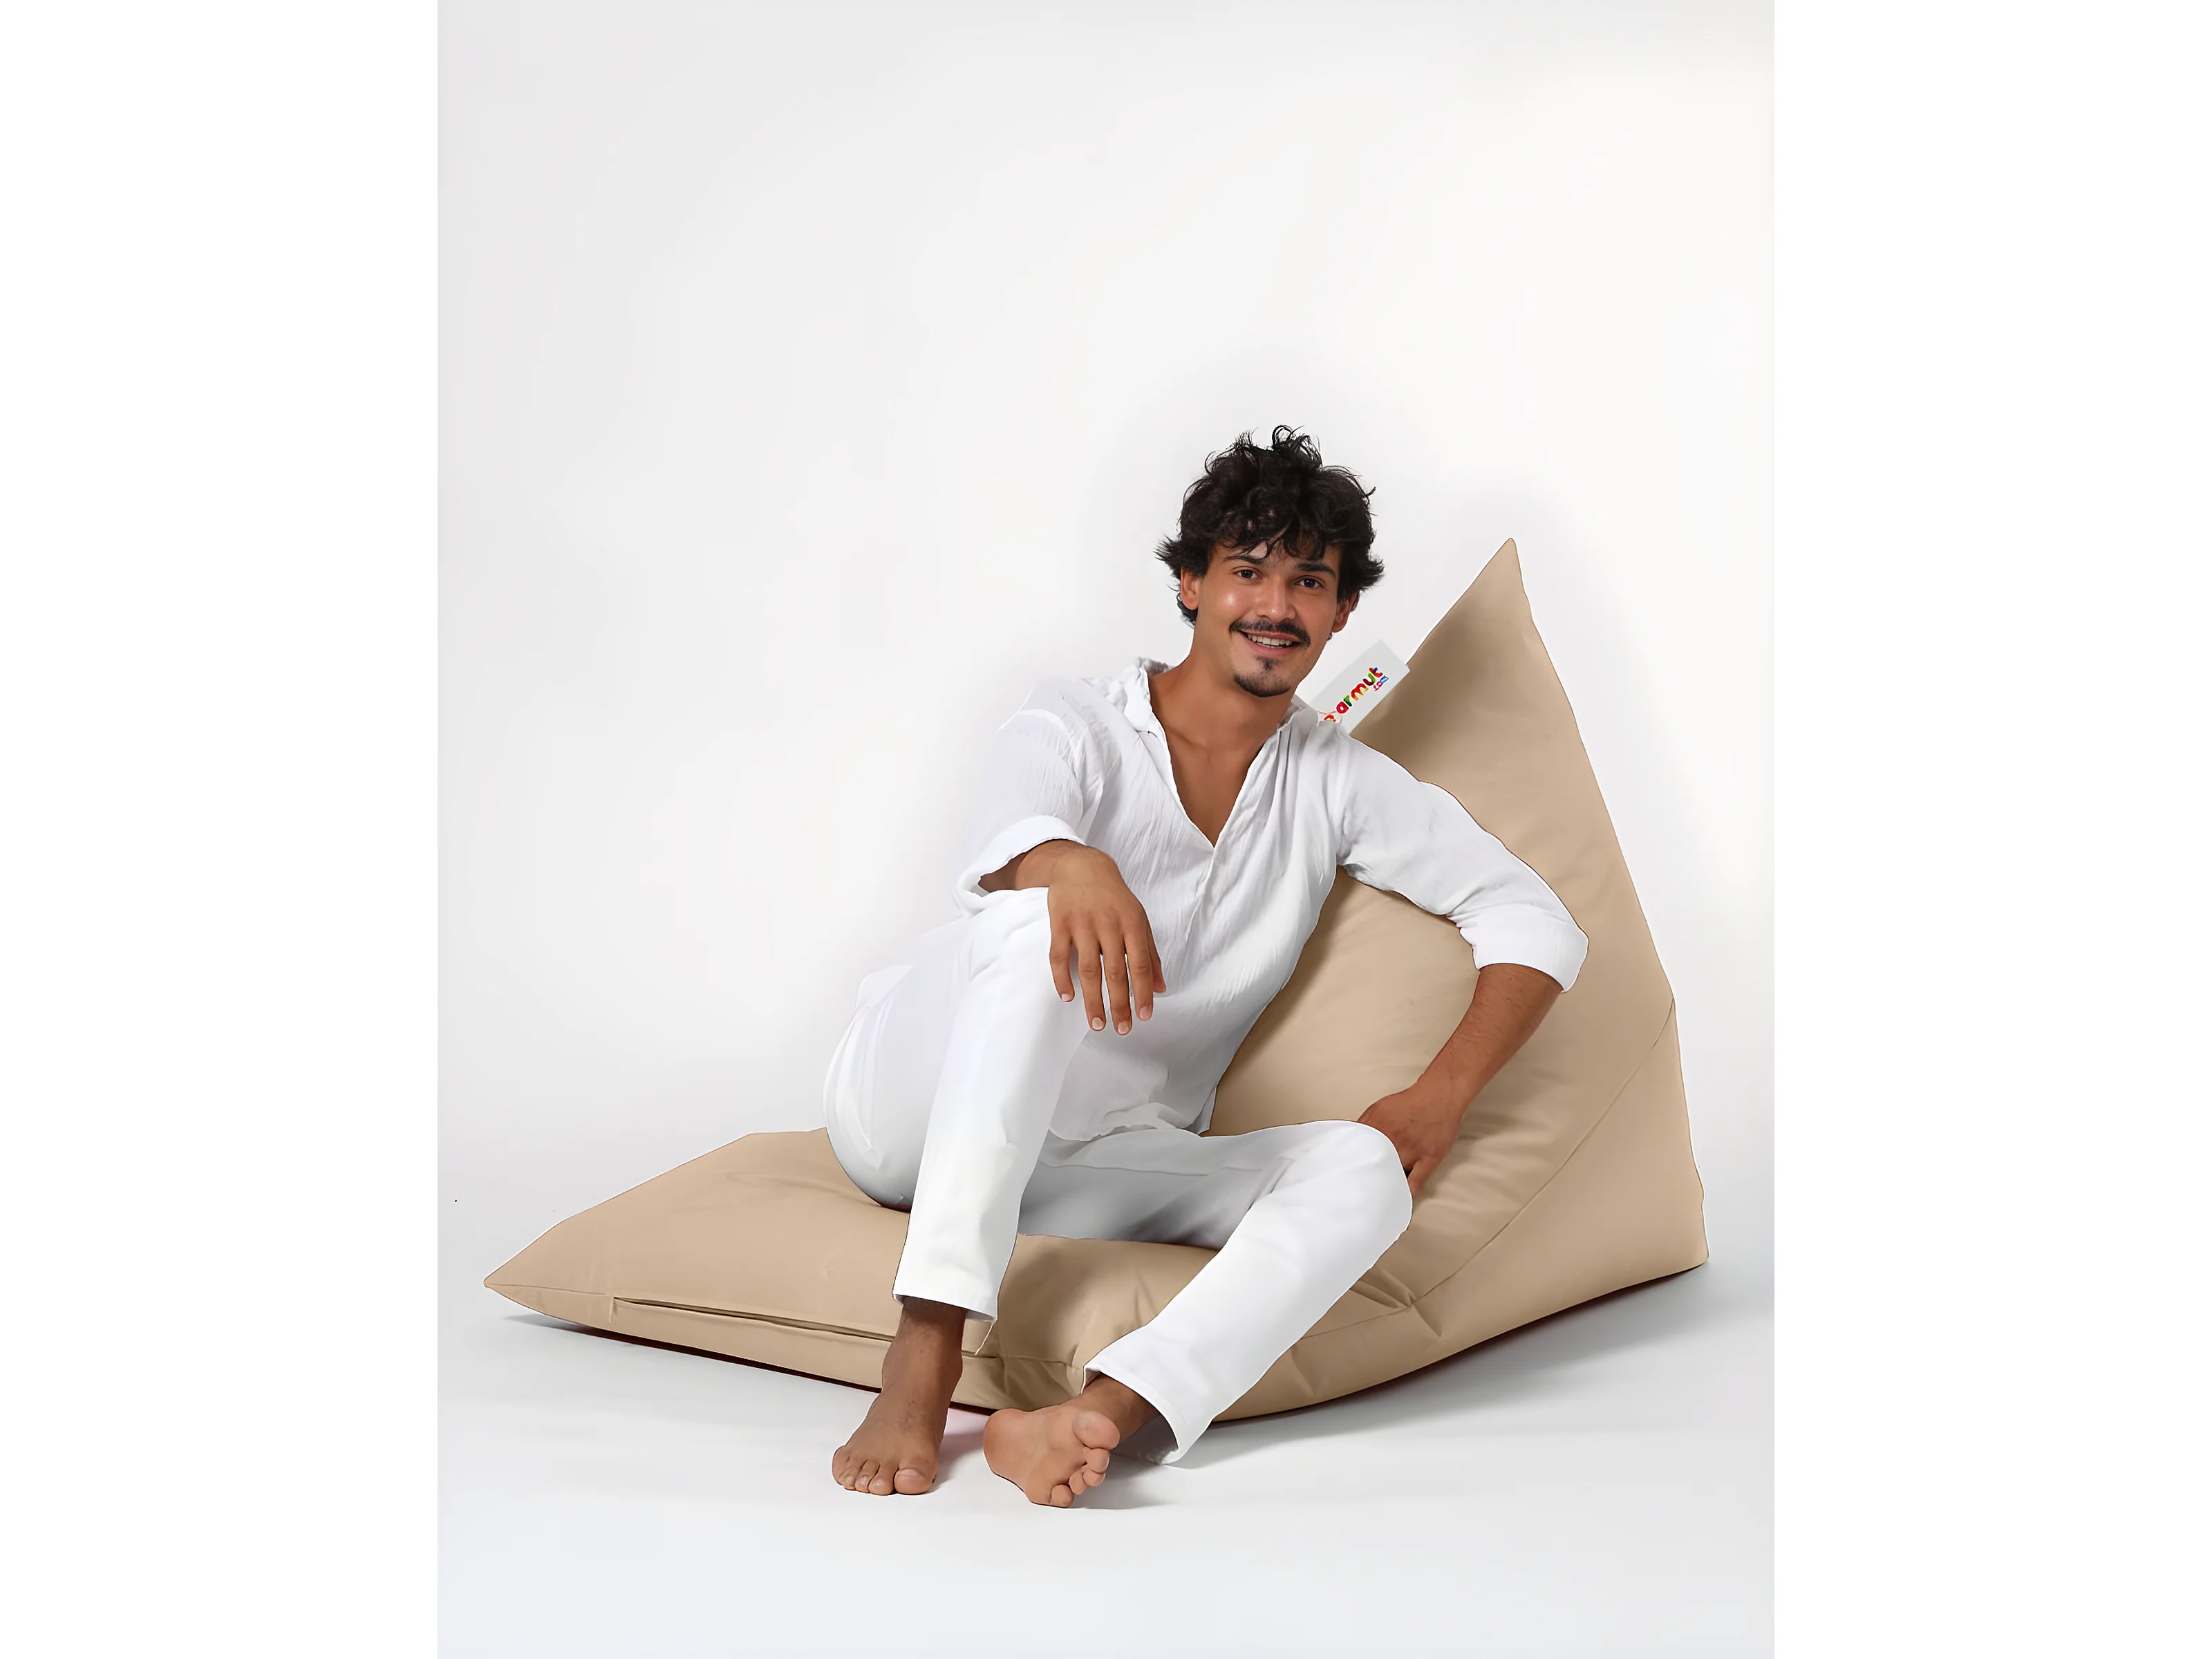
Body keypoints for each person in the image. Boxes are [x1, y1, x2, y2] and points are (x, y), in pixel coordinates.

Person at [824, 428, 1587, 1506]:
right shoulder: (1078, 719)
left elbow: (1536, 918)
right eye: (1247, 571)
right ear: (1191, 584)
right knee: (1031, 926)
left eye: (1309, 581)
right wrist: (1070, 862)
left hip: (1095, 1156)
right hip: (914, 1105)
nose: (1276, 605)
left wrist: (1441, 1095)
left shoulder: (1335, 781)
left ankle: (1100, 1410)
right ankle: (926, 1349)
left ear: (1342, 612)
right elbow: (1003, 839)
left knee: (1366, 1171)